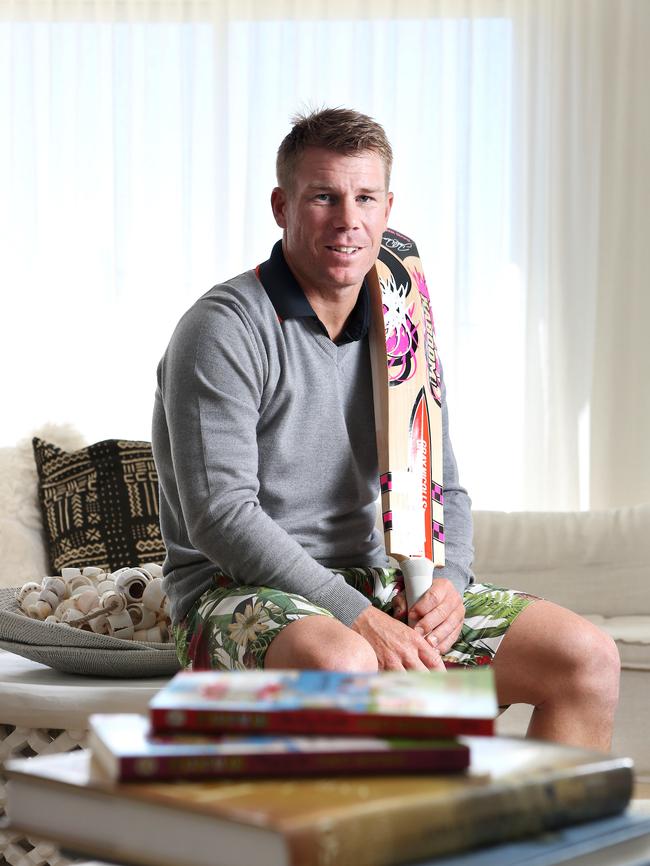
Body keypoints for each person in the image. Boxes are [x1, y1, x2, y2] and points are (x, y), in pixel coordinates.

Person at [152, 107, 619, 751]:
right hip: (235, 592)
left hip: (380, 583)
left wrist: (451, 580)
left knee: (586, 656)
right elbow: (222, 516)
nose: (348, 220)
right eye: (324, 196)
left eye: (365, 197)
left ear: (388, 208)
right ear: (281, 206)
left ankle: (527, 847)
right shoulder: (224, 328)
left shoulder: (403, 318)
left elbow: (444, 487)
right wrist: (356, 618)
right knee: (345, 664)